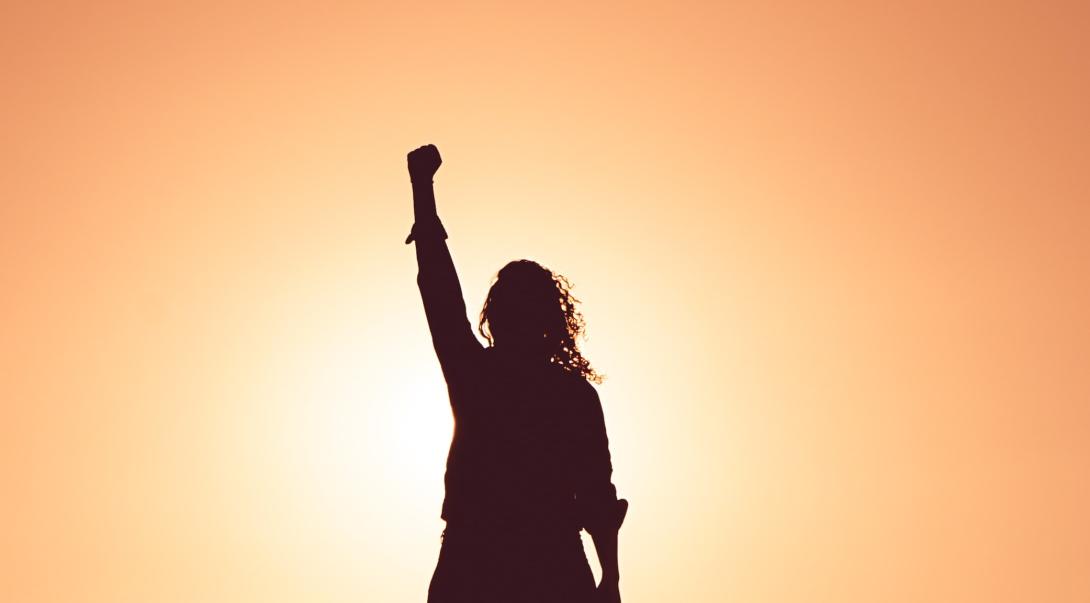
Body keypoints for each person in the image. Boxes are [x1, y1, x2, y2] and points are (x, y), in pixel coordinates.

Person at [404, 144, 628, 603]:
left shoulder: (512, 384)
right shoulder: (497, 379)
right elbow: (439, 290)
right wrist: (422, 193)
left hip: (527, 562)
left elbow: (596, 497)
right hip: (493, 559)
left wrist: (611, 581)